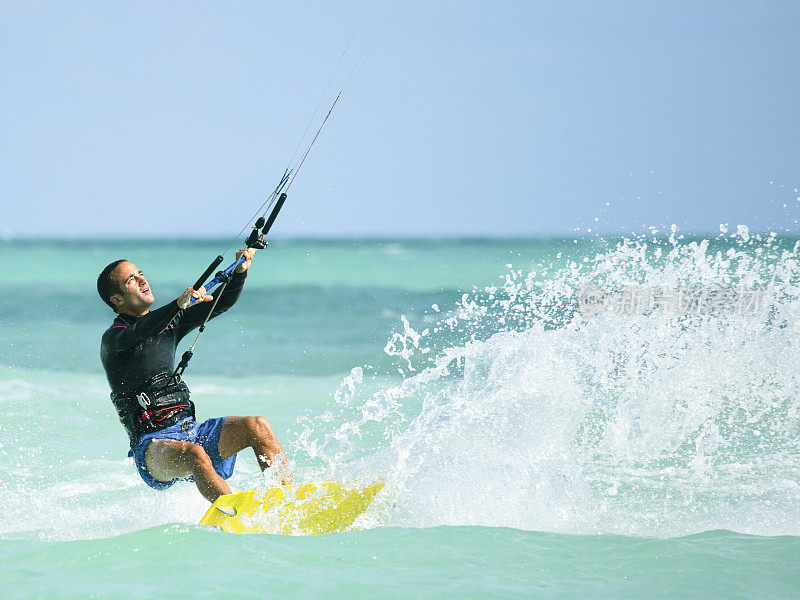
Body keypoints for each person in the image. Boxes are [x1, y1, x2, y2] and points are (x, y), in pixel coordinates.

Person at [98, 248, 291, 502]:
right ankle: (235, 515)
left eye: (140, 274)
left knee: (257, 426)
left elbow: (220, 304)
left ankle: (287, 502)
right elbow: (140, 331)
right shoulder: (114, 339)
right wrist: (177, 305)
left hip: (192, 430)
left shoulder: (169, 324)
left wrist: (240, 272)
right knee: (195, 454)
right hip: (153, 447)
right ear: (117, 300)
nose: (143, 280)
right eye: (131, 280)